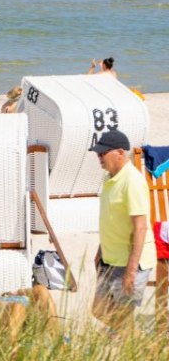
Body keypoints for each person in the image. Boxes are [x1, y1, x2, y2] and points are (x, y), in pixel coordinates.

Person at [90, 130, 156, 330]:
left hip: (130, 262)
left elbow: (141, 227)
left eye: (103, 153)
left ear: (120, 152)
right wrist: (101, 250)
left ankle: (127, 340)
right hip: (109, 259)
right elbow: (112, 219)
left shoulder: (132, 181)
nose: (99, 158)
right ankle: (126, 335)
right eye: (98, 154)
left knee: (123, 316)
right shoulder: (109, 178)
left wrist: (131, 270)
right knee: (98, 309)